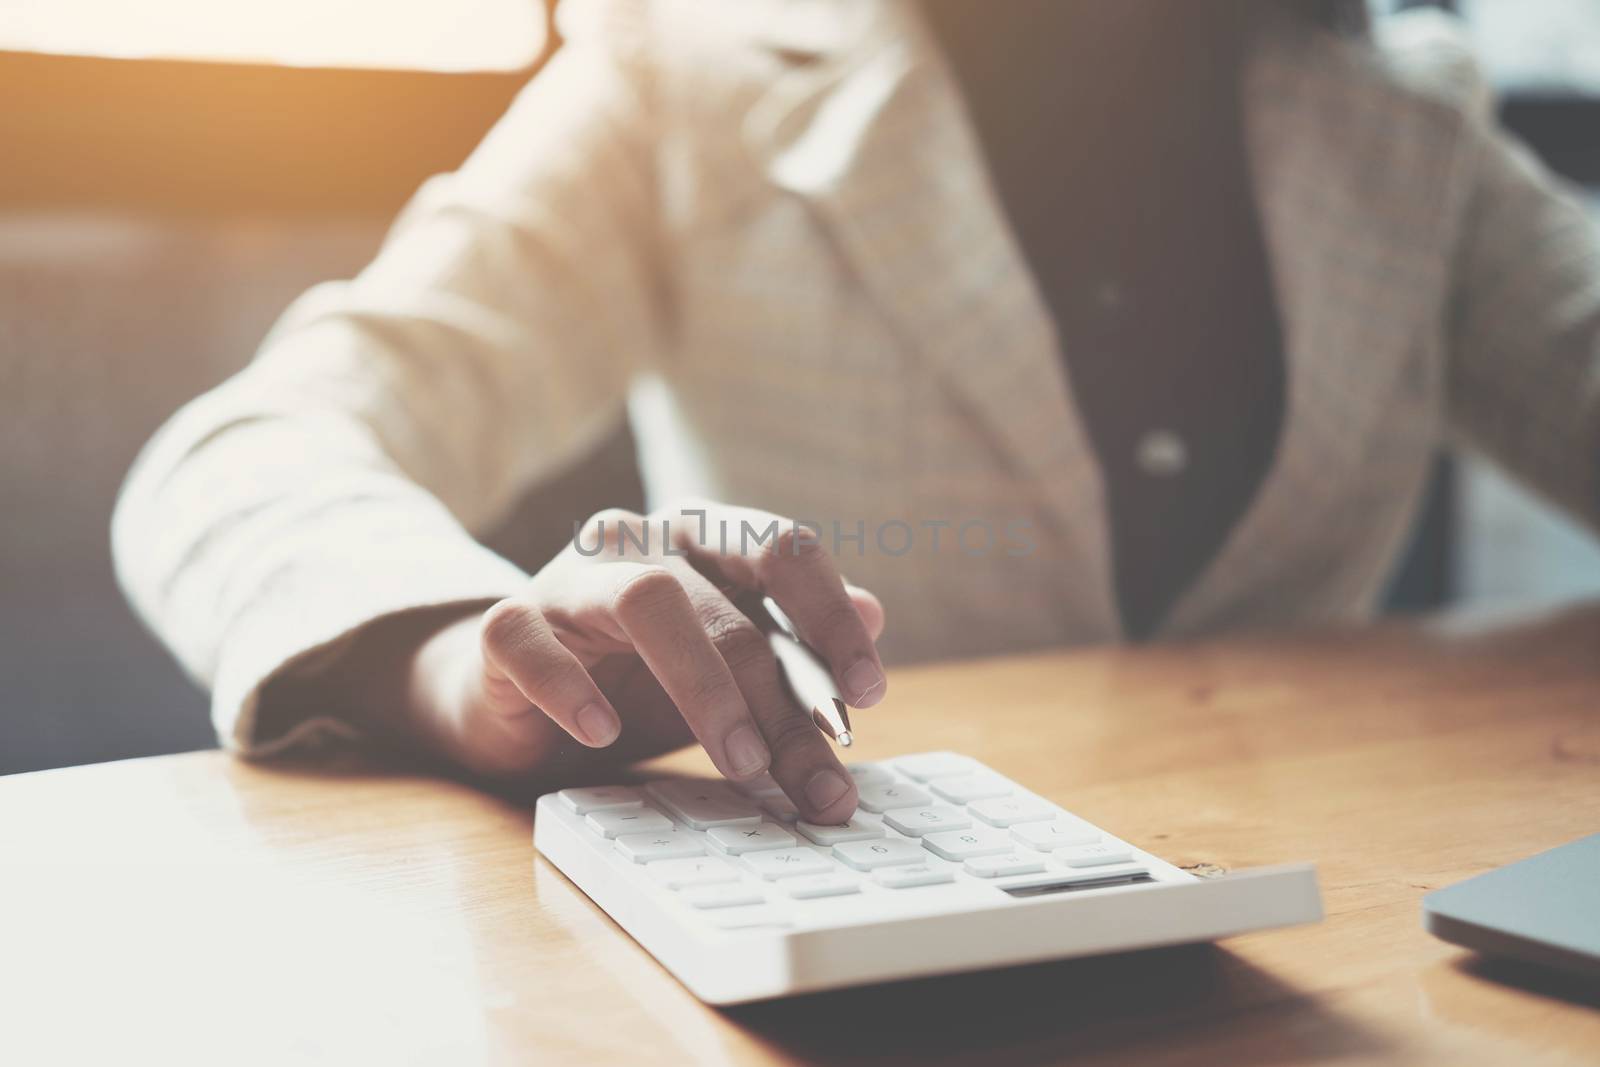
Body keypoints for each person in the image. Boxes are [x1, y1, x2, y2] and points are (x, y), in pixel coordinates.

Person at [113, 0, 1600, 825]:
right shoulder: (678, 83)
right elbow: (245, 454)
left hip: (1342, 944)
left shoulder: (1408, 124)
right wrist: (455, 666)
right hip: (856, 935)